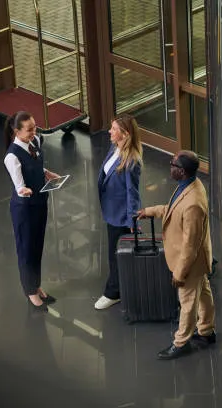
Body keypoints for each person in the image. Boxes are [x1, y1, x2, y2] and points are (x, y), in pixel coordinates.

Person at [137, 151, 216, 360]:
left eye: (172, 164)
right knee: (204, 294)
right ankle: (207, 332)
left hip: (190, 262)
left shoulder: (193, 204)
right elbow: (173, 210)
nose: (169, 166)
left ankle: (181, 342)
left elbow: (190, 246)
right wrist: (151, 210)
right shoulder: (190, 185)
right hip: (197, 262)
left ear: (181, 171)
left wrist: (180, 274)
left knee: (188, 302)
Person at [4, 111, 60, 312]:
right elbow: (19, 185)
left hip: (39, 203)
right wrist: (23, 189)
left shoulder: (34, 141)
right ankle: (30, 291)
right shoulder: (12, 156)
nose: (33, 132)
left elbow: (37, 166)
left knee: (37, 247)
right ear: (16, 131)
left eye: (34, 127)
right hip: (24, 209)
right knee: (26, 251)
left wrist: (46, 173)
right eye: (29, 130)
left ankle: (36, 285)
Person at [94, 114, 143, 310]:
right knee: (115, 254)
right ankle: (122, 287)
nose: (109, 131)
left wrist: (132, 220)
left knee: (116, 256)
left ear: (125, 134)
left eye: (114, 129)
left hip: (121, 216)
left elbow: (133, 193)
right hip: (111, 211)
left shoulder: (132, 161)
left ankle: (113, 293)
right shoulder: (115, 148)